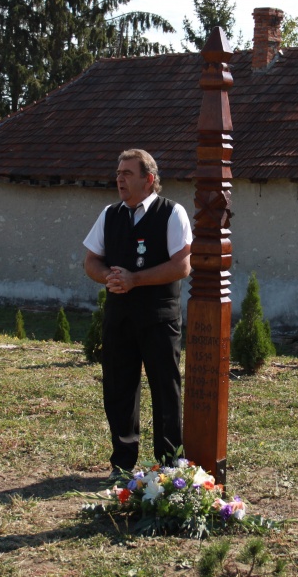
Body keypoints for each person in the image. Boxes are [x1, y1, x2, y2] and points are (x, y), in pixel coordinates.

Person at [83, 149, 192, 474]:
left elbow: (182, 265)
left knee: (165, 390)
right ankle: (122, 462)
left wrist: (135, 279)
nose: (119, 179)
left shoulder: (171, 212)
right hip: (120, 317)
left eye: (127, 173)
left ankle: (169, 465)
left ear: (149, 179)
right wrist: (109, 277)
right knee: (118, 389)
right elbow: (91, 261)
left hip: (158, 318)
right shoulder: (110, 214)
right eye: (118, 173)